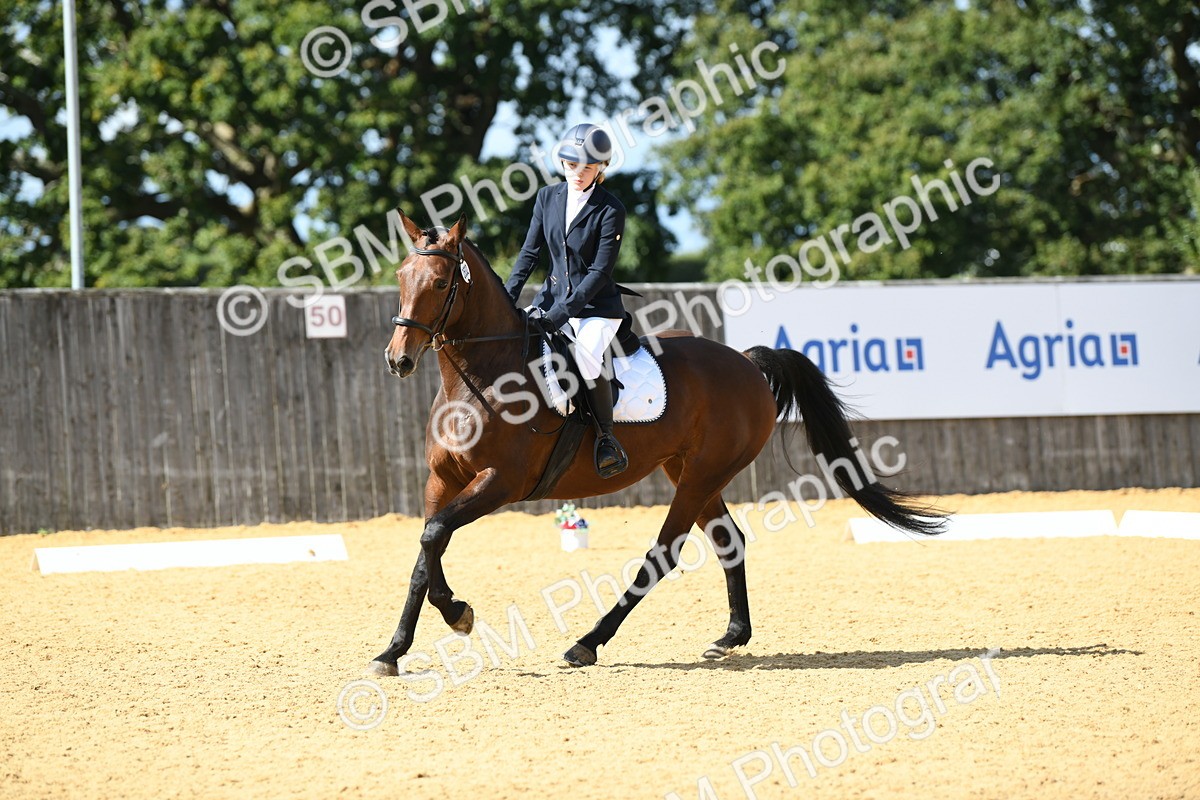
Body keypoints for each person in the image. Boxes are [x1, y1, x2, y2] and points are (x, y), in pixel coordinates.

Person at [505, 122, 630, 479]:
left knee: (588, 362)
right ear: (562, 163)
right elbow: (529, 254)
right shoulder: (548, 198)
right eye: (572, 165)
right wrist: (507, 297)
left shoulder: (610, 209)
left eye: (588, 167)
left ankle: (606, 438)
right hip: (550, 300)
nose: (579, 173)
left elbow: (599, 272)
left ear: (600, 169)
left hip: (595, 309)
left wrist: (561, 314)